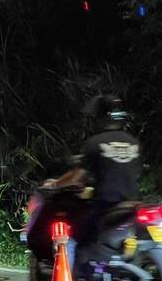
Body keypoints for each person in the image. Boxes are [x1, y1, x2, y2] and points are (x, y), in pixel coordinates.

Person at [35, 95, 142, 264]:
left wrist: (55, 184)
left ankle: (66, 280)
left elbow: (77, 176)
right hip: (131, 205)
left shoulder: (95, 143)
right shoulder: (133, 143)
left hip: (105, 206)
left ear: (100, 117)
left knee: (70, 236)